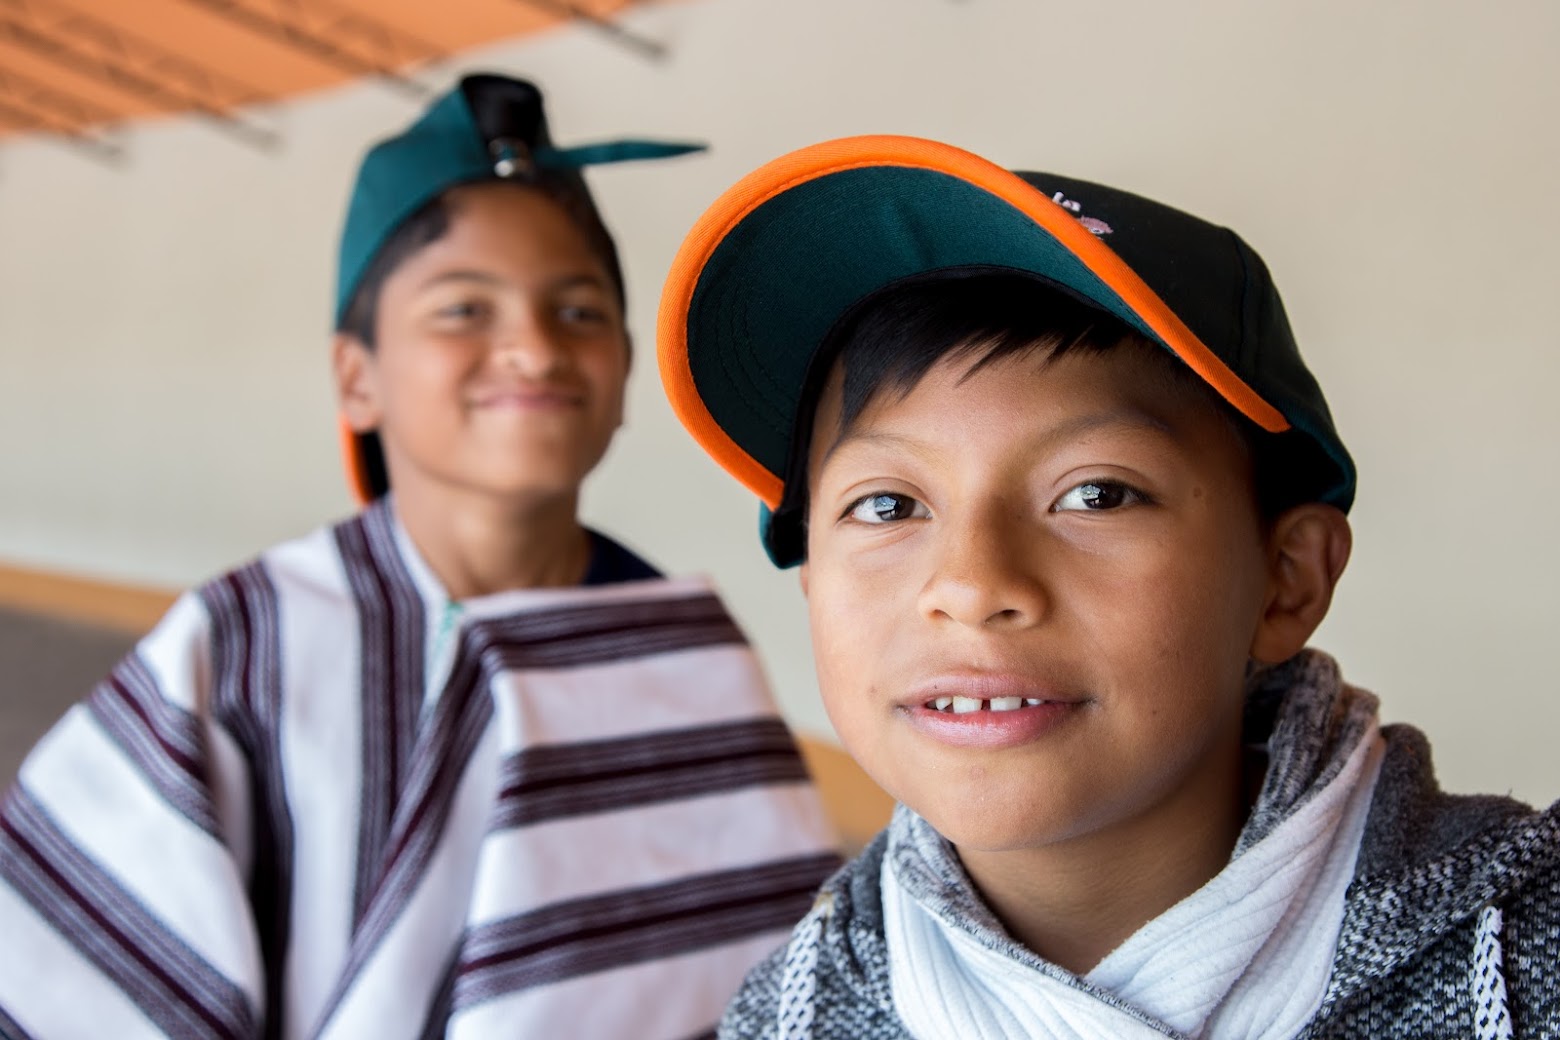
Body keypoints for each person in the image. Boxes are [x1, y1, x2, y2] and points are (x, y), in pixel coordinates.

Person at [655, 135, 1560, 1038]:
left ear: (1286, 580)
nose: (971, 586)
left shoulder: (1532, 953)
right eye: (888, 505)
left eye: (1094, 494)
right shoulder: (787, 1014)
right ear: (810, 580)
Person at [0, 74, 839, 1040]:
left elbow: (771, 987)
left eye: (578, 312)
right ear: (357, 379)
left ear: (622, 380)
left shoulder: (681, 653)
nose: (532, 347)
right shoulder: (238, 648)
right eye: (462, 310)